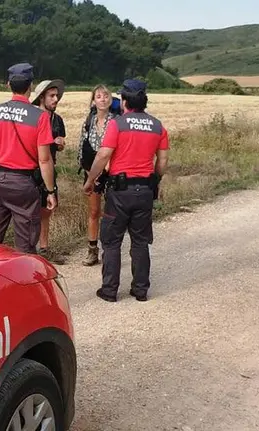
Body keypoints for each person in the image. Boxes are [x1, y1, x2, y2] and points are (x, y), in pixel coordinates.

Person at [82, 78, 169, 302]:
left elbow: (103, 155)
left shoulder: (117, 124)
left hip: (120, 192)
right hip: (145, 190)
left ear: (124, 101)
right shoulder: (158, 126)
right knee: (140, 241)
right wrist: (155, 180)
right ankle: (140, 290)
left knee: (112, 241)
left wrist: (90, 180)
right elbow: (162, 162)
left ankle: (110, 290)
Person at [0, 63, 57, 254]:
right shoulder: (40, 117)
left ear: (8, 85)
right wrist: (50, 191)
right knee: (25, 247)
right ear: (30, 86)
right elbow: (44, 160)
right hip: (24, 185)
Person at [77, 84, 120, 266]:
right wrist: (89, 173)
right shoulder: (88, 122)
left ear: (110, 100)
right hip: (92, 173)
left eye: (106, 96)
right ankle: (92, 250)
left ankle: (109, 250)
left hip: (112, 173)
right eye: (99, 96)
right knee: (94, 212)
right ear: (93, 101)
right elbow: (81, 149)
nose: (103, 99)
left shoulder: (117, 121)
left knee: (111, 213)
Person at [31, 78, 67, 262]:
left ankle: (44, 248)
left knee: (46, 210)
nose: (56, 99)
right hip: (31, 169)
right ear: (41, 97)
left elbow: (60, 144)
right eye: (51, 96)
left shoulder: (57, 120)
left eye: (57, 96)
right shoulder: (32, 117)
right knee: (30, 211)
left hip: (49, 169)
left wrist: (60, 144)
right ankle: (29, 249)